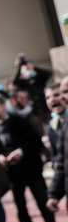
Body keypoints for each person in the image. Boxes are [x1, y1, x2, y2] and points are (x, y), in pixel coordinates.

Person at [0, 95, 58, 222]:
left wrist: (20, 152)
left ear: (3, 105)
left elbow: (36, 143)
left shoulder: (19, 121)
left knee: (42, 201)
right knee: (20, 206)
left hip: (30, 169)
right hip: (11, 173)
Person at [11, 54, 52, 134]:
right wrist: (20, 68)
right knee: (39, 131)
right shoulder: (23, 82)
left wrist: (33, 68)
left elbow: (48, 74)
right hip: (35, 110)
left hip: (46, 107)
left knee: (52, 126)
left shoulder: (38, 77)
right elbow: (14, 82)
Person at [48, 76, 68, 213]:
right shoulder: (64, 123)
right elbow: (62, 159)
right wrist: (54, 193)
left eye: (66, 91)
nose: (62, 97)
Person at [45, 83, 67, 164]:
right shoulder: (51, 121)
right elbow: (54, 151)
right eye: (48, 97)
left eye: (56, 95)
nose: (52, 99)